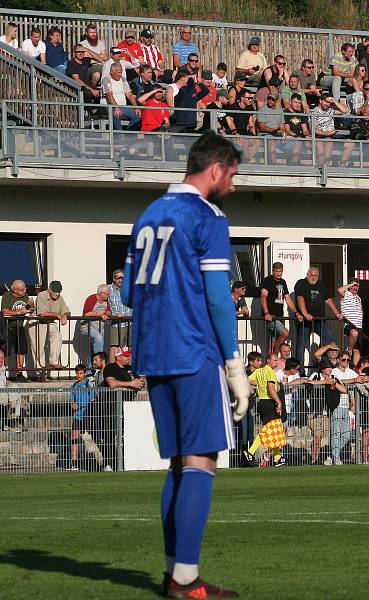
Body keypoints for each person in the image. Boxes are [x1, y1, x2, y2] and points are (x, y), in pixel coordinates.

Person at [120, 131, 250, 597]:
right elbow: (218, 297)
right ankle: (186, 581)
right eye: (232, 175)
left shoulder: (148, 214)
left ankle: (176, 572)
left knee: (178, 465)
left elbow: (128, 293)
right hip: (195, 349)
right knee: (201, 461)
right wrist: (235, 366)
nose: (233, 186)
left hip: (154, 352)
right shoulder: (207, 215)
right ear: (215, 169)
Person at [243, 352, 287, 468]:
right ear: (269, 361)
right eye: (275, 360)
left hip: (262, 403)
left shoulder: (259, 371)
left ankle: (277, 458)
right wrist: (279, 401)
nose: (277, 362)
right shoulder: (270, 372)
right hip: (269, 403)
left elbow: (247, 380)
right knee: (269, 430)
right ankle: (250, 452)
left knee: (274, 430)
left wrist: (254, 392)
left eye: (277, 360)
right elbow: (271, 388)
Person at [293, 267, 343, 364]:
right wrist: (305, 313)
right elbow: (300, 298)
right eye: (311, 275)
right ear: (307, 274)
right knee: (301, 346)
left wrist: (336, 313)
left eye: (316, 275)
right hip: (305, 321)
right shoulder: (301, 283)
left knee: (328, 335)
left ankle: (320, 361)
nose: (313, 277)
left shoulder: (321, 285)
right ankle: (300, 371)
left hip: (319, 321)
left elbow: (328, 300)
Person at [329, 351, 364, 464]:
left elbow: (359, 379)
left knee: (346, 434)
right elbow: (337, 382)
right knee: (336, 433)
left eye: (348, 360)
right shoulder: (334, 371)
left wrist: (364, 377)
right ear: (338, 360)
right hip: (337, 405)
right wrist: (354, 380)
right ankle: (336, 458)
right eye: (343, 360)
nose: (346, 362)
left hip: (347, 407)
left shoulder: (350, 371)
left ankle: (334, 454)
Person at [68, 364, 102, 471]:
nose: (79, 375)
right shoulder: (74, 386)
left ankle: (103, 459)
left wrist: (88, 405)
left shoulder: (88, 384)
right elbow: (71, 401)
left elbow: (93, 398)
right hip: (78, 416)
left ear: (85, 373)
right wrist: (73, 405)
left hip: (88, 415)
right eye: (77, 373)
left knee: (96, 437)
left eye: (81, 373)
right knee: (74, 437)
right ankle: (74, 462)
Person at [33, 280, 70, 374]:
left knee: (57, 336)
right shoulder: (41, 295)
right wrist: (58, 315)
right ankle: (40, 374)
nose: (57, 294)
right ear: (49, 290)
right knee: (39, 348)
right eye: (55, 291)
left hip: (50, 322)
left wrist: (65, 315)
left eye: (59, 291)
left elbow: (66, 310)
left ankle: (53, 361)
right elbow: (42, 313)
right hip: (36, 323)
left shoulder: (60, 298)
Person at [1, 279, 35, 382]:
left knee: (21, 350)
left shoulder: (25, 296)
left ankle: (19, 373)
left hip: (20, 326)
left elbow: (30, 310)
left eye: (25, 288)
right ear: (15, 290)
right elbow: (5, 312)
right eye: (22, 289)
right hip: (8, 326)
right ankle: (3, 373)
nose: (25, 290)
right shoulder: (7, 296)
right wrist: (20, 312)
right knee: (6, 351)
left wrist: (32, 305)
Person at [260, 262, 296, 355]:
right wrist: (266, 313)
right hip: (270, 316)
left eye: (280, 271)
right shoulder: (267, 280)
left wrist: (296, 312)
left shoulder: (283, 282)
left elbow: (287, 298)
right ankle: (275, 353)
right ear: (273, 271)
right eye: (276, 271)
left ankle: (271, 364)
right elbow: (263, 296)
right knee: (285, 333)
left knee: (272, 343)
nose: (278, 273)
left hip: (280, 316)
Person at [338, 278, 363, 367]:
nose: (355, 287)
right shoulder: (346, 294)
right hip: (349, 324)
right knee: (354, 333)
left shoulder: (359, 298)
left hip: (359, 325)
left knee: (357, 350)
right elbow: (339, 290)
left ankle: (355, 370)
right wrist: (350, 285)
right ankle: (349, 351)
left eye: (357, 286)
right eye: (353, 285)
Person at [81, 284, 112, 357]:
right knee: (98, 338)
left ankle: (91, 367)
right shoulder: (91, 299)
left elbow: (110, 312)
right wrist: (98, 314)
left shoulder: (105, 301)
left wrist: (104, 312)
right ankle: (98, 362)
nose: (109, 295)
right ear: (101, 293)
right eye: (107, 293)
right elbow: (86, 313)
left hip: (99, 329)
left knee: (94, 347)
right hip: (87, 327)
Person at [108, 269, 132, 357]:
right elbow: (105, 305)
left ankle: (129, 369)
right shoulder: (108, 289)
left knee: (131, 347)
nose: (121, 280)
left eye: (123, 278)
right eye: (118, 278)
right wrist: (113, 314)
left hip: (130, 322)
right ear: (114, 279)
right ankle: (111, 370)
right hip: (116, 323)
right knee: (114, 347)